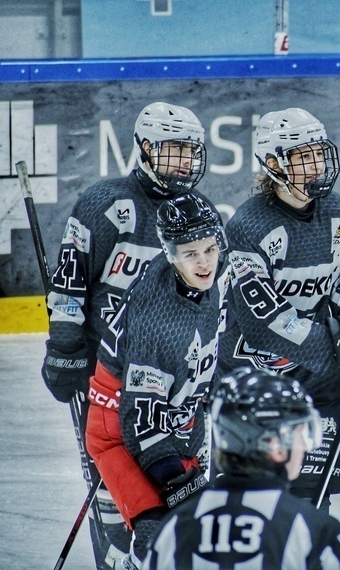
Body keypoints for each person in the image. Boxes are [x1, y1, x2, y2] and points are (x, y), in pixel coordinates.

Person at [41, 101, 210, 568]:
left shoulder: (197, 212)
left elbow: (213, 295)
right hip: (106, 376)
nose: (183, 162)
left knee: (179, 491)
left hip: (173, 382)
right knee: (115, 497)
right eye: (171, 150)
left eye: (189, 151)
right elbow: (70, 284)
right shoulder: (104, 204)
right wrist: (64, 348)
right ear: (143, 149)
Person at [216, 107, 340, 508]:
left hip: (317, 384)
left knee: (310, 503)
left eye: (319, 153)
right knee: (251, 504)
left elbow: (337, 289)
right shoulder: (248, 226)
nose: (316, 165)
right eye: (303, 156)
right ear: (272, 163)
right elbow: (262, 324)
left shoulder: (338, 212)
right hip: (253, 383)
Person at [86, 193, 230, 569]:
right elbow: (139, 417)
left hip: (177, 418)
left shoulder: (212, 270)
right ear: (170, 254)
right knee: (157, 533)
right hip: (119, 425)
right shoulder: (156, 319)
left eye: (210, 249)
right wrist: (173, 481)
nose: (204, 263)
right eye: (190, 254)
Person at [142, 367, 340, 569]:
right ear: (275, 445)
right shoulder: (316, 532)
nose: (303, 446)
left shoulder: (173, 530)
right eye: (299, 434)